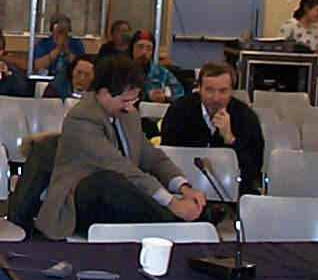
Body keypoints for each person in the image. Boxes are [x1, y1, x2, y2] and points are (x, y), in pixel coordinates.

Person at [36, 56, 207, 240]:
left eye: (134, 101)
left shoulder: (129, 114)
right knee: (110, 182)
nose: (130, 107)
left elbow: (152, 157)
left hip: (121, 196)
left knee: (128, 188)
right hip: (76, 202)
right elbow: (120, 167)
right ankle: (176, 224)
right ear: (104, 93)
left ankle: (185, 218)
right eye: (126, 101)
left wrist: (184, 188)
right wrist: (172, 203)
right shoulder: (81, 118)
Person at [161, 63, 265, 196]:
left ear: (232, 91)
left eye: (223, 91)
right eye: (209, 90)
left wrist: (230, 139)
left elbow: (253, 170)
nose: (216, 98)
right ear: (199, 88)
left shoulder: (246, 117)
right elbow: (168, 156)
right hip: (185, 188)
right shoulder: (179, 111)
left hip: (232, 191)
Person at [33, 14, 86, 99]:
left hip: (70, 80)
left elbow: (82, 64)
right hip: (48, 78)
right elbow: (38, 65)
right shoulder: (43, 44)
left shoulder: (76, 44)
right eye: (58, 27)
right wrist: (57, 49)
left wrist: (67, 50)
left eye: (64, 28)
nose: (61, 31)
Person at [129, 30, 184, 103]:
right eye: (140, 47)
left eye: (149, 48)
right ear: (132, 49)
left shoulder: (162, 73)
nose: (144, 52)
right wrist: (147, 97)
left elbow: (180, 95)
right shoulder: (122, 71)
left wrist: (166, 98)